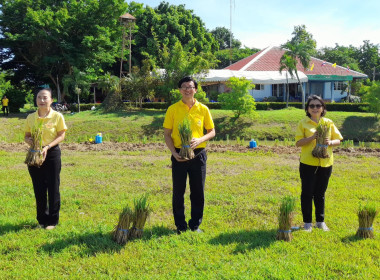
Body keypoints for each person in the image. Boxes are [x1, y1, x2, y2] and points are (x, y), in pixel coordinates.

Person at [163, 77, 215, 234]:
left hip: (198, 154)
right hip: (179, 154)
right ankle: (180, 226)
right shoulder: (173, 109)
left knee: (198, 191)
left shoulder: (203, 109)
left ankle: (195, 225)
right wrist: (174, 153)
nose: (187, 89)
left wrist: (200, 139)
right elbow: (167, 134)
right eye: (184, 87)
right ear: (179, 90)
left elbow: (212, 131)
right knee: (178, 191)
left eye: (190, 87)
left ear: (196, 90)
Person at [295, 95, 343, 232]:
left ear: (323, 108)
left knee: (320, 193)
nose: (315, 108)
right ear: (307, 109)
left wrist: (330, 142)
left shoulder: (328, 123)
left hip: (326, 163)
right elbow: (298, 143)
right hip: (308, 163)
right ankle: (307, 223)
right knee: (307, 193)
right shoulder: (303, 123)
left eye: (318, 105)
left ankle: (320, 222)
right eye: (312, 106)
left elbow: (338, 140)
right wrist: (312, 137)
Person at [24, 88, 67, 230]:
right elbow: (26, 136)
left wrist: (47, 147)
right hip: (35, 153)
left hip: (52, 153)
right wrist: (32, 142)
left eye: (44, 97)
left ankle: (52, 221)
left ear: (51, 100)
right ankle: (41, 219)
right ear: (36, 100)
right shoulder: (30, 117)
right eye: (39, 98)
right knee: (39, 187)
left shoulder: (57, 116)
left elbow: (61, 135)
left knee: (53, 186)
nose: (41, 100)